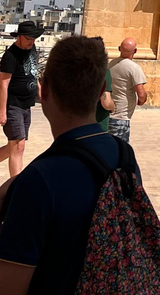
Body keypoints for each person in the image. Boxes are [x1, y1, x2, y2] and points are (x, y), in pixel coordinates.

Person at [0, 35, 143, 294]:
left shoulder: (38, 180)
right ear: (101, 90)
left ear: (43, 91)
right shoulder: (124, 156)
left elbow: (10, 284)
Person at [0, 21, 43, 177]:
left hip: (27, 105)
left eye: (34, 39)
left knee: (14, 145)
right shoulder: (10, 56)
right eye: (28, 39)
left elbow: (34, 73)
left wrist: (41, 94)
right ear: (19, 37)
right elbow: (3, 85)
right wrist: (2, 111)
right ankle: (16, 185)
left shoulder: (32, 49)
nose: (31, 42)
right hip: (13, 105)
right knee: (19, 146)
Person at [108, 37, 147, 141]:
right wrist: (141, 101)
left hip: (109, 114)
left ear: (119, 48)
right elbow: (141, 94)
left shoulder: (111, 64)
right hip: (121, 116)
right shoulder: (134, 68)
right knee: (121, 151)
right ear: (135, 51)